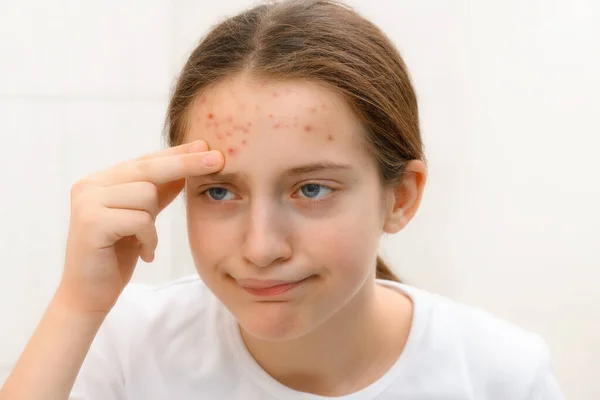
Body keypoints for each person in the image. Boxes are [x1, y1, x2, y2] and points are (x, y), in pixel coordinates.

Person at [0, 0, 564, 399]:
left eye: (312, 189)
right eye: (220, 191)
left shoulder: (501, 375)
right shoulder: (126, 345)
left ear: (401, 197)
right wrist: (77, 307)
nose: (262, 246)